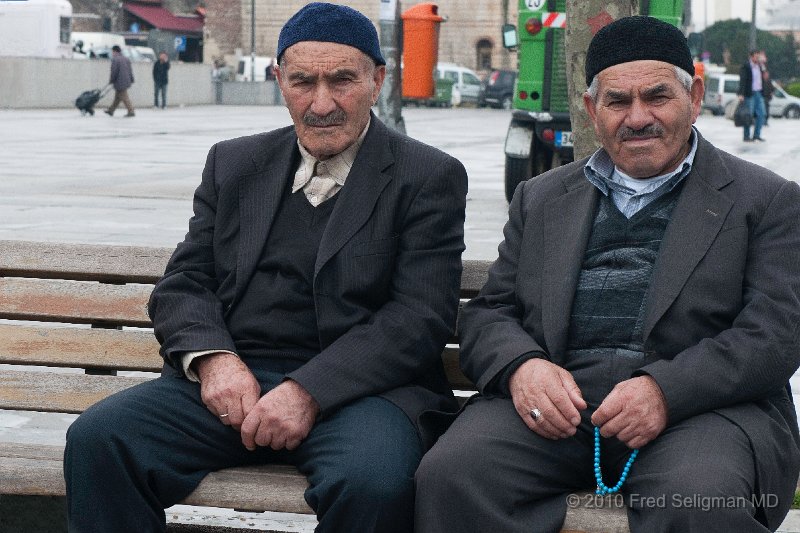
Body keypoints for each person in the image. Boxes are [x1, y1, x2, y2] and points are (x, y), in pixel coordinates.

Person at [64, 3, 468, 532]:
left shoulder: (427, 176)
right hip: (235, 381)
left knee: (373, 483)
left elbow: (419, 316)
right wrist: (214, 361)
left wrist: (307, 391)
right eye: (303, 82)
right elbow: (185, 282)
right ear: (279, 80)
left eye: (342, 80)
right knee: (100, 439)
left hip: (362, 393)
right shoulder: (234, 163)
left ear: (377, 79)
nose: (321, 103)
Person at [416, 15, 800, 533]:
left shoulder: (767, 200)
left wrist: (665, 391)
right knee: (453, 475)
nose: (637, 117)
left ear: (696, 96)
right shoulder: (543, 196)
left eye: (657, 97)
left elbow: (774, 336)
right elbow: (490, 313)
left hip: (701, 412)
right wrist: (523, 368)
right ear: (592, 109)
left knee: (699, 500)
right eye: (618, 101)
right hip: (560, 412)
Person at [737, 49, 767, 141]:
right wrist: (741, 94)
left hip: (759, 93)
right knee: (748, 115)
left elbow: (765, 77)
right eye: (756, 56)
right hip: (749, 94)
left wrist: (763, 65)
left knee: (761, 114)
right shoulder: (746, 66)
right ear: (751, 56)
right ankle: (746, 136)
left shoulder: (760, 66)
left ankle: (756, 135)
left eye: (759, 56)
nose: (757, 58)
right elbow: (742, 80)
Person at [104, 44, 135, 117]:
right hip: (126, 80)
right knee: (117, 98)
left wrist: (111, 80)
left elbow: (114, 71)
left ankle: (131, 111)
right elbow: (130, 70)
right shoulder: (126, 59)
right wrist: (132, 79)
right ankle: (111, 110)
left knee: (124, 97)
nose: (112, 53)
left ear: (114, 51)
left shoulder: (115, 60)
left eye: (112, 52)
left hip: (119, 81)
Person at [759, 51, 773, 126]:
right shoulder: (758, 66)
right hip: (761, 92)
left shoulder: (765, 66)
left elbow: (769, 81)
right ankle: (762, 120)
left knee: (766, 107)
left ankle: (765, 120)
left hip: (766, 93)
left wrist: (771, 91)